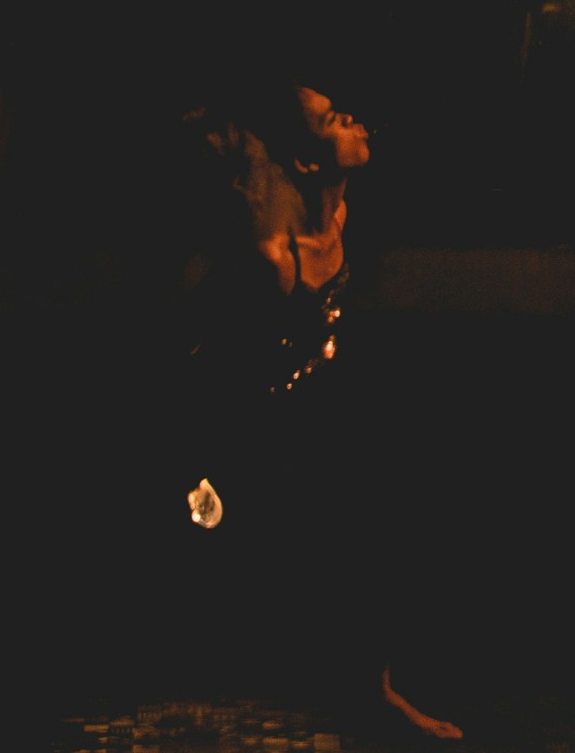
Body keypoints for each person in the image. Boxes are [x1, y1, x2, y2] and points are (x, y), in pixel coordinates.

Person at [163, 80, 466, 741]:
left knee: (384, 515)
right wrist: (198, 467)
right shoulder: (273, 255)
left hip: (310, 396)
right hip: (248, 416)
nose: (353, 118)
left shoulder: (340, 211)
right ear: (306, 161)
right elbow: (197, 352)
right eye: (332, 119)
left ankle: (370, 692)